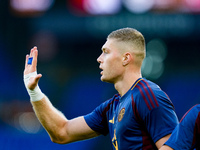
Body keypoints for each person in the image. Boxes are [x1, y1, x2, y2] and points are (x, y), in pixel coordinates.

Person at [23, 27, 179, 150]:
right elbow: (61, 132)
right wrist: (34, 91)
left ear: (125, 58)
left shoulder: (148, 95)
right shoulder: (112, 106)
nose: (99, 59)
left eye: (106, 52)